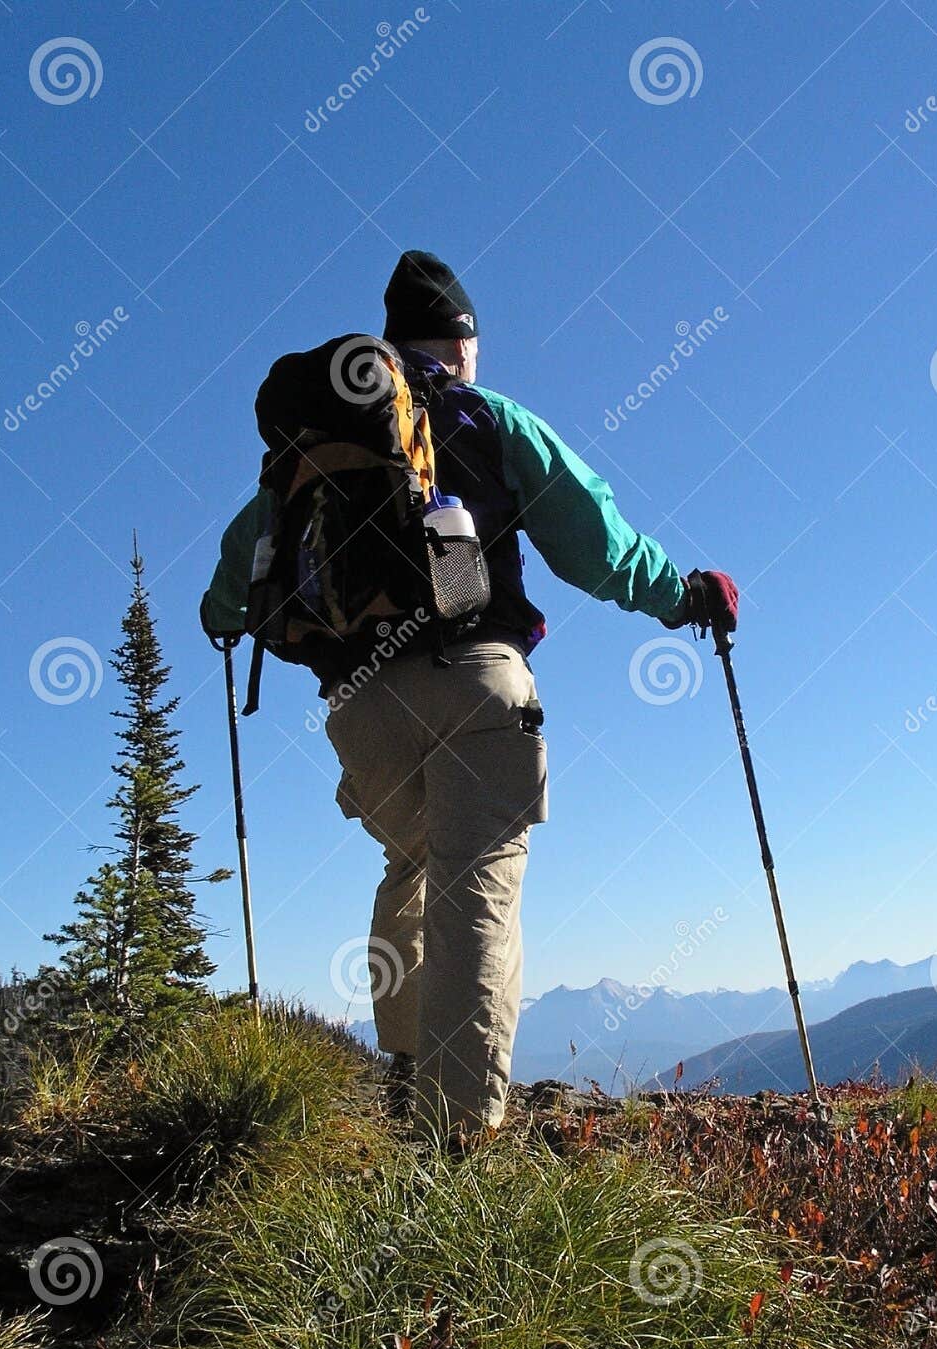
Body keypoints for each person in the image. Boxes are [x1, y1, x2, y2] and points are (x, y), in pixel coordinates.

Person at [203, 250, 738, 1140]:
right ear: (463, 340)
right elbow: (596, 546)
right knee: (475, 892)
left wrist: (222, 619)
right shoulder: (487, 418)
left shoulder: (309, 452)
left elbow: (233, 586)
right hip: (478, 683)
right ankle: (460, 1152)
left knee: (409, 870)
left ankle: (408, 1082)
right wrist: (684, 595)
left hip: (361, 711)